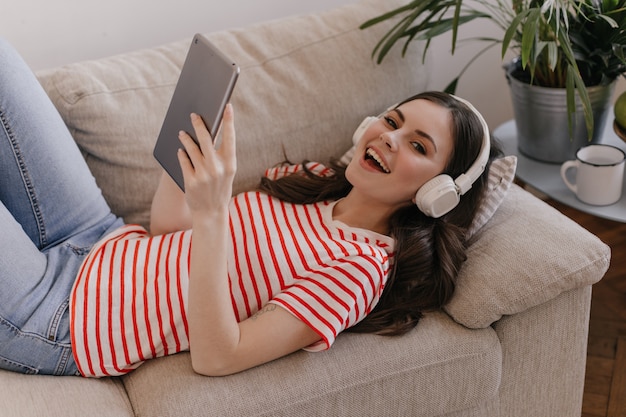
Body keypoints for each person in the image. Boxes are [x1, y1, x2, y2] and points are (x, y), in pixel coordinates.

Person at [0, 37, 501, 378]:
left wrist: (214, 215)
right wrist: (187, 152)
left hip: (59, 319)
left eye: (418, 146)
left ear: (439, 193)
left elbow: (219, 356)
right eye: (392, 121)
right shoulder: (310, 184)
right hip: (96, 236)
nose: (390, 138)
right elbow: (170, 233)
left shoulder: (359, 271)